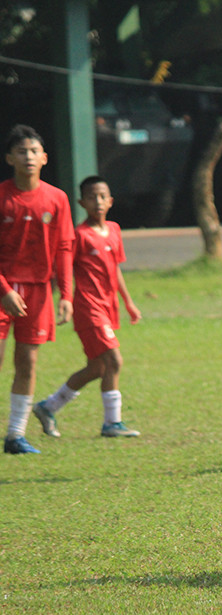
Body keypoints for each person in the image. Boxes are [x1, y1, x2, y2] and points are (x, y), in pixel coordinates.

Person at [33, 176, 142, 439]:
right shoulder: (79, 235)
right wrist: (62, 300)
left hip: (108, 306)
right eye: (92, 197)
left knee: (97, 368)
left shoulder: (114, 230)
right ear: (81, 202)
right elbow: (63, 269)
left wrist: (128, 302)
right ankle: (111, 423)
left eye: (103, 196)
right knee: (114, 360)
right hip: (87, 307)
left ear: (111, 200)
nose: (98, 202)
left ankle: (48, 407)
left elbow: (115, 269)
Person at [0, 125, 75, 454]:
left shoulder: (56, 198)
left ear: (44, 158)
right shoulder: (2, 196)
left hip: (38, 293)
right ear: (9, 158)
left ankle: (16, 435)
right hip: (2, 291)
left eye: (33, 151)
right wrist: (4, 290)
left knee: (27, 362)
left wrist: (67, 296)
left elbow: (64, 249)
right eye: (21, 151)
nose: (27, 156)